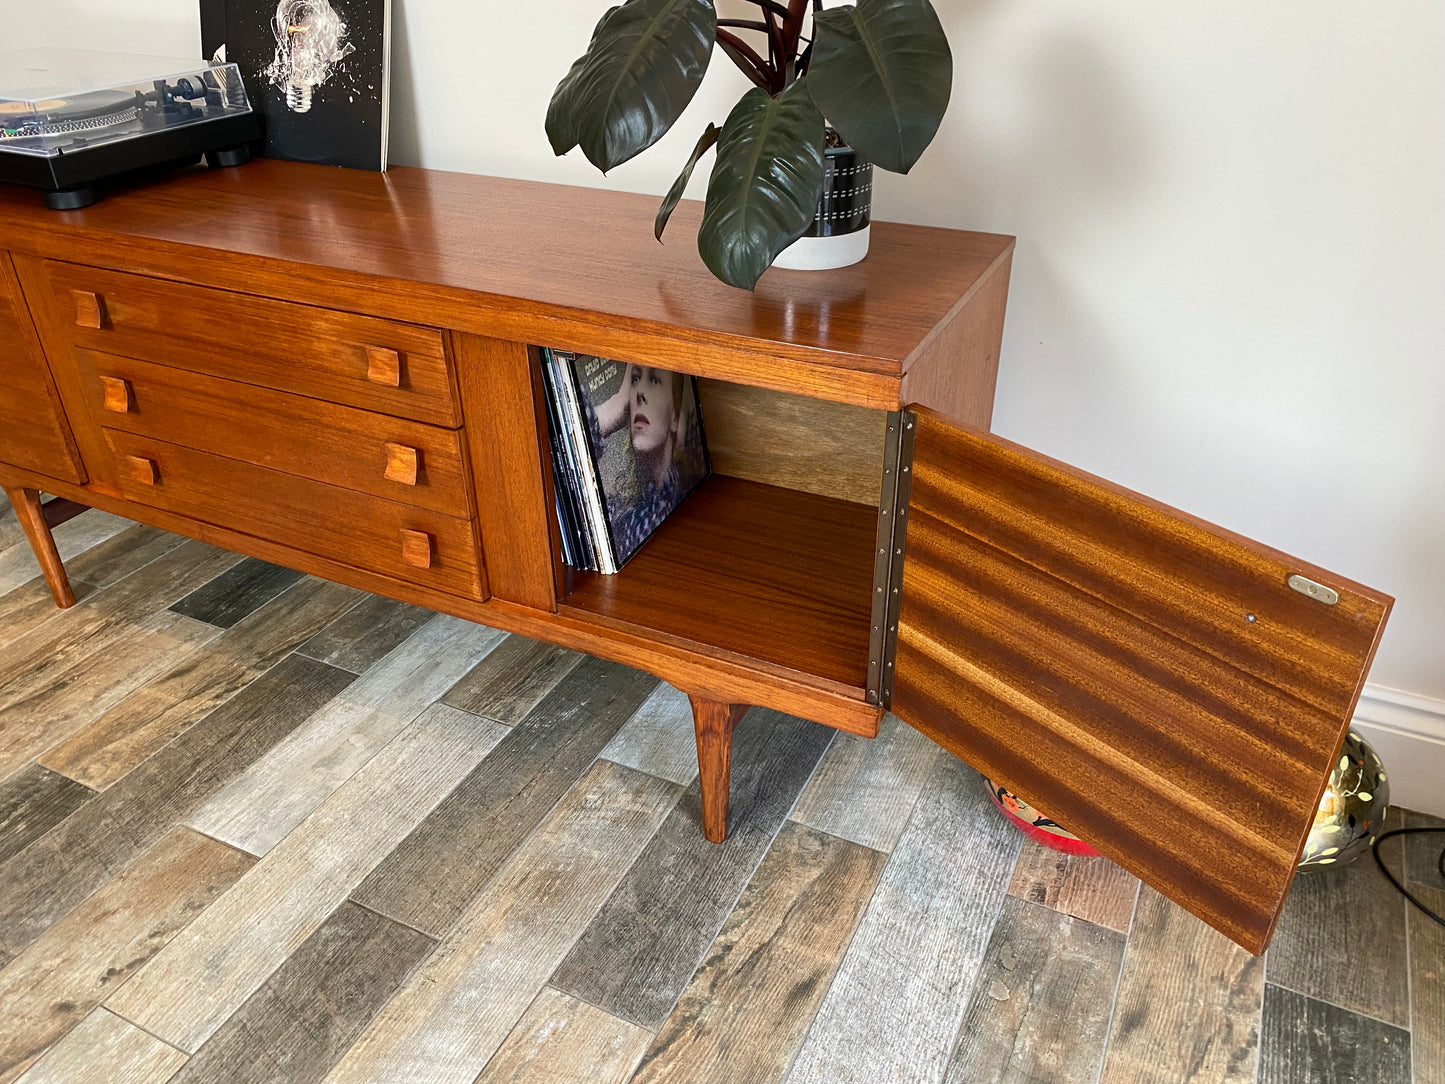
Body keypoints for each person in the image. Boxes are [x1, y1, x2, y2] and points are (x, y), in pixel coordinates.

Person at [585, 362, 704, 563]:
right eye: (635, 379)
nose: (640, 392)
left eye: (655, 380)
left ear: (676, 417)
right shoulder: (618, 511)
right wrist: (613, 409)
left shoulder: (685, 499)